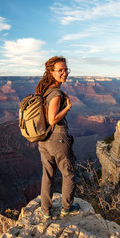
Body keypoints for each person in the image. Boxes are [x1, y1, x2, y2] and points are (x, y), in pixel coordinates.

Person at [35, 56, 80, 219]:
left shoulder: (45, 90)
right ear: (51, 72)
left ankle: (46, 209)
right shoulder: (55, 94)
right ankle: (67, 207)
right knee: (69, 173)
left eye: (66, 69)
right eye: (60, 70)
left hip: (44, 140)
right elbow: (52, 119)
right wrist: (67, 107)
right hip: (58, 138)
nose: (64, 73)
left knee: (48, 174)